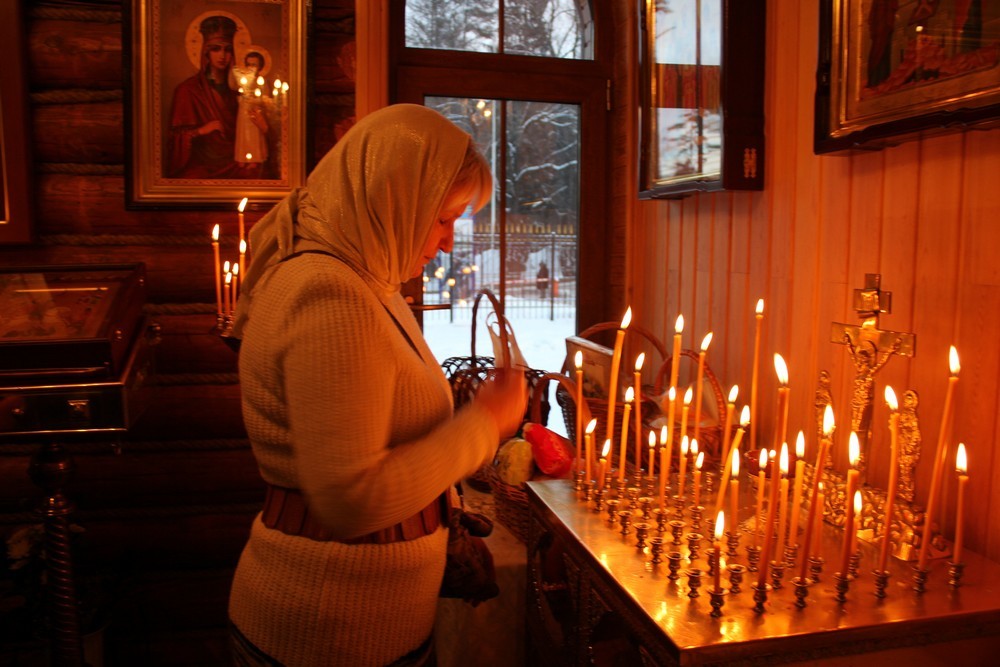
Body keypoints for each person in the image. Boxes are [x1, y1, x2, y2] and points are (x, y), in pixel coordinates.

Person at [227, 104, 528, 666]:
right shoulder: (329, 294)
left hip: (367, 625)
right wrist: (485, 421)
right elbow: (352, 498)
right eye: (443, 218)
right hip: (327, 632)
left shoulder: (368, 282)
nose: (447, 243)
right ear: (394, 196)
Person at [167, 16, 266, 179]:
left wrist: (263, 127)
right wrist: (200, 131)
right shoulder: (187, 90)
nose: (222, 56)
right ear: (206, 51)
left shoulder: (239, 93)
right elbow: (175, 140)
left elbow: (254, 130)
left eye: (227, 49)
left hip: (236, 160)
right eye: (216, 49)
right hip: (202, 166)